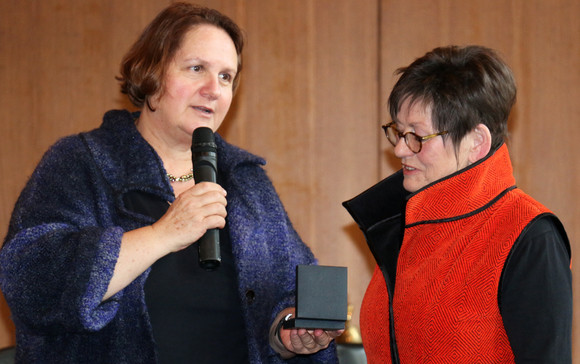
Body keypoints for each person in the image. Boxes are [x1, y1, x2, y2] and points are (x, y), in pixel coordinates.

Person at [0, 3, 341, 363]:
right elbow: (31, 282)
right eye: (197, 69)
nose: (214, 89)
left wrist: (287, 333)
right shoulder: (81, 162)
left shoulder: (247, 182)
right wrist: (165, 233)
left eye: (226, 77)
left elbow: (287, 294)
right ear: (151, 73)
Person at [343, 45, 572, 363]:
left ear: (476, 142)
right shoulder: (403, 229)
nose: (400, 150)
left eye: (417, 137)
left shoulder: (529, 235)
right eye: (398, 131)